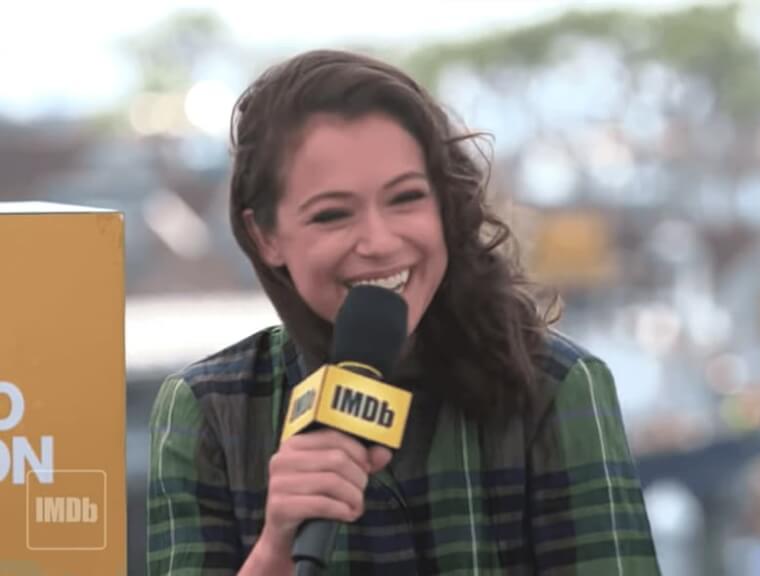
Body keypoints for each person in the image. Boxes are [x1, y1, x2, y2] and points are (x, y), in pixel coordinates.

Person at [147, 48, 659, 575]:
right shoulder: (210, 409)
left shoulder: (557, 386)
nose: (379, 241)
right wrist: (275, 551)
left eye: (406, 198)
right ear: (266, 236)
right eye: (332, 214)